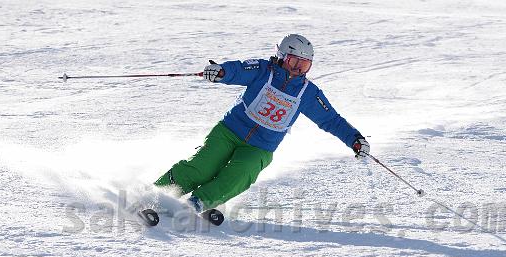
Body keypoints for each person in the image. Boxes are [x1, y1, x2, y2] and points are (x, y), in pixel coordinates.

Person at [154, 34, 370, 213]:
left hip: (260, 147)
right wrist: (221, 72)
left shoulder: (307, 92)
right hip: (229, 131)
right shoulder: (263, 70)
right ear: (282, 57)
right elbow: (238, 70)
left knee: (240, 174)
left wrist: (355, 139)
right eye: (294, 62)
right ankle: (156, 195)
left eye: (304, 65)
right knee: (202, 167)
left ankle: (198, 202)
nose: (298, 69)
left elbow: (331, 119)